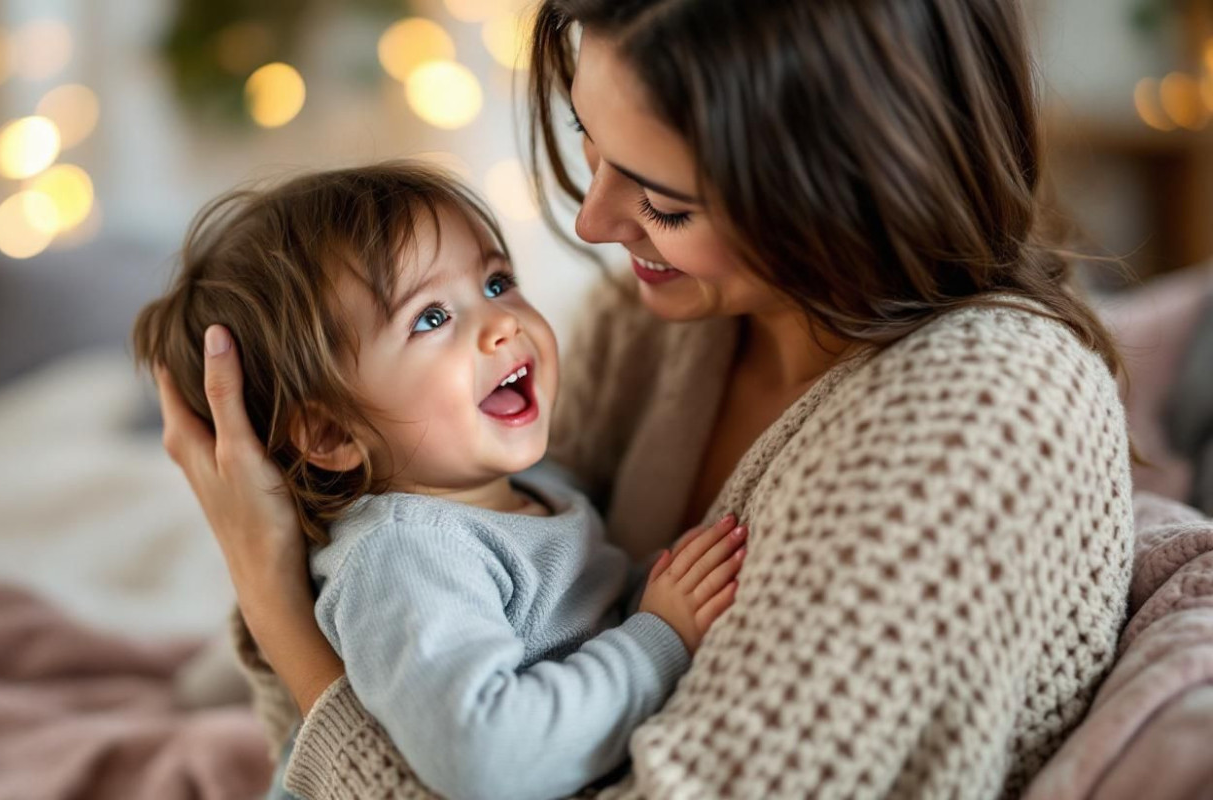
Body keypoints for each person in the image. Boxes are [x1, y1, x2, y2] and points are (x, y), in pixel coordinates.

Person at [153, 0, 1136, 796]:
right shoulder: (653, 328)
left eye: (663, 201)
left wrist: (285, 621)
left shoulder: (976, 417)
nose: (592, 221)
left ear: (840, 187)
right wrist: (287, 589)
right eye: (587, 138)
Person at [133, 163, 748, 800]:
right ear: (332, 435)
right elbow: (490, 759)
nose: (503, 323)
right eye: (431, 318)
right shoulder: (406, 554)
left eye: (496, 282)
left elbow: (581, 617)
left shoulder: (533, 490)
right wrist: (658, 637)